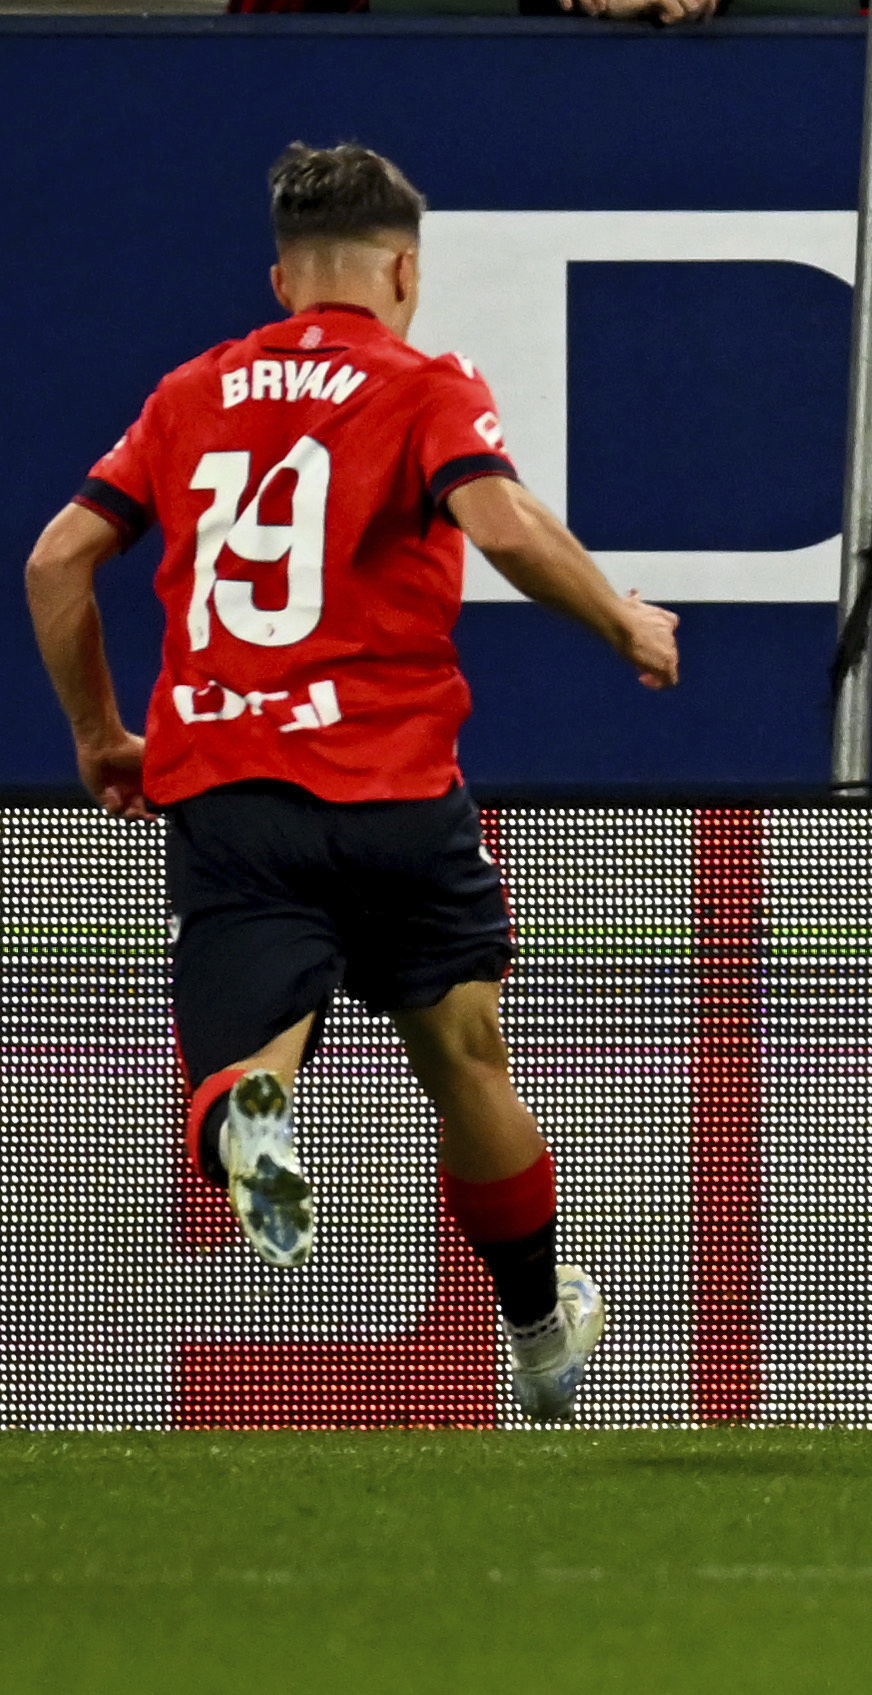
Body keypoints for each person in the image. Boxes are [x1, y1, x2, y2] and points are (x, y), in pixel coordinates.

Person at [22, 142, 680, 1422]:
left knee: (240, 1059)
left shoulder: (188, 393)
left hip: (229, 787)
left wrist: (102, 735)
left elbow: (59, 562)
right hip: (392, 785)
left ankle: (250, 1122)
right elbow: (500, 523)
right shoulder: (422, 379)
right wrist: (619, 620)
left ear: (281, 279)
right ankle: (541, 1335)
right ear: (403, 269)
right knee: (464, 1051)